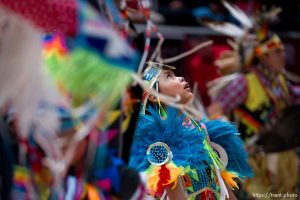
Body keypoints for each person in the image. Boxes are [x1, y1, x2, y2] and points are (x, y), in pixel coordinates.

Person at [129, 62, 252, 199]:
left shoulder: (200, 129)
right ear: (152, 95)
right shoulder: (159, 139)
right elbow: (172, 188)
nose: (180, 78)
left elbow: (220, 180)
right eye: (169, 77)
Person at [208, 33, 300, 198]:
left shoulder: (281, 82)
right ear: (264, 56)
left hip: (283, 160)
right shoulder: (245, 82)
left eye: (283, 51)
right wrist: (231, 138)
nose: (283, 56)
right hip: (254, 162)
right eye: (278, 52)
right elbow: (215, 110)